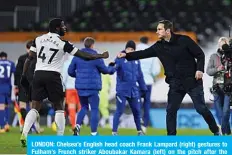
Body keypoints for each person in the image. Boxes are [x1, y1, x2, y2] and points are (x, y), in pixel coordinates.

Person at [118, 20, 220, 135]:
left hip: (192, 81)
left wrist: (199, 69)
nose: (157, 32)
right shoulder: (158, 46)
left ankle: (215, 130)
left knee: (201, 108)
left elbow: (200, 54)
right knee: (171, 110)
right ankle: (171, 138)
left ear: (167, 31)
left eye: (159, 29)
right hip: (175, 83)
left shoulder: (184, 40)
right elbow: (142, 53)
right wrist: (126, 55)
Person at [20, 18, 109, 147]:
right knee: (59, 108)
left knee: (35, 107)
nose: (65, 28)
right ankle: (60, 138)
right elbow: (84, 56)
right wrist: (100, 56)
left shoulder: (38, 39)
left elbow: (29, 59)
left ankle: (25, 133)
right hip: (53, 76)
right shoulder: (63, 43)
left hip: (38, 75)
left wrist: (24, 75)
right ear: (57, 28)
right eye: (63, 26)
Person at [68, 37, 114, 136]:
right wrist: (112, 67)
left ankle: (77, 126)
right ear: (92, 45)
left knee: (83, 107)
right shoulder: (96, 56)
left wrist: (79, 76)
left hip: (81, 87)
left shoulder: (77, 56)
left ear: (84, 44)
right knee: (94, 109)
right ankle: (94, 133)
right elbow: (105, 71)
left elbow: (70, 71)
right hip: (93, 88)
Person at [112, 40, 147, 136]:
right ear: (125, 49)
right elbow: (113, 67)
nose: (130, 51)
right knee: (119, 110)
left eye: (132, 49)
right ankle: (114, 132)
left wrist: (143, 88)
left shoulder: (136, 60)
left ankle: (139, 131)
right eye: (128, 49)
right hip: (122, 90)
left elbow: (140, 75)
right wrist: (109, 68)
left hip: (134, 90)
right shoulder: (120, 58)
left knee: (137, 111)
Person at [206, 37, 231, 135]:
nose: (222, 46)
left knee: (226, 112)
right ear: (218, 45)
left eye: (224, 44)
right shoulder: (213, 56)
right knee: (220, 113)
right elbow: (208, 71)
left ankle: (224, 131)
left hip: (228, 87)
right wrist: (217, 69)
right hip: (217, 87)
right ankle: (227, 131)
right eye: (221, 44)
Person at [137, 36, 161, 133]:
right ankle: (145, 125)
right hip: (148, 82)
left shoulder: (134, 52)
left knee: (136, 103)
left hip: (136, 82)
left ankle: (138, 124)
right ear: (147, 42)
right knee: (146, 104)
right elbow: (156, 71)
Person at [62, 54, 80, 130]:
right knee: (80, 106)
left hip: (69, 88)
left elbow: (63, 77)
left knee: (71, 107)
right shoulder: (79, 62)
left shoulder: (66, 63)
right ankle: (79, 124)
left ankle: (73, 125)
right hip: (79, 87)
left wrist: (62, 88)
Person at [0, 52, 15, 133]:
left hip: (0, 87)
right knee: (6, 106)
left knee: (1, 107)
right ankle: (7, 124)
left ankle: (2, 127)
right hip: (8, 88)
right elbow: (14, 74)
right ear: (6, 57)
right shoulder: (11, 63)